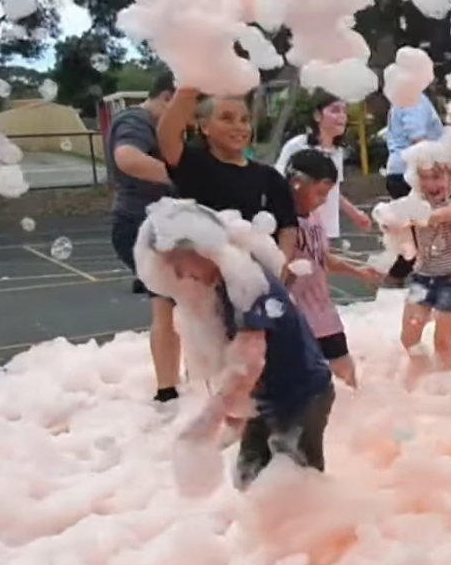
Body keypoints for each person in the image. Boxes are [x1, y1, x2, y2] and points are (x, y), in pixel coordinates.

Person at [136, 198, 336, 488]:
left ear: (204, 248)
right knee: (249, 477)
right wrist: (232, 412)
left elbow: (249, 361)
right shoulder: (218, 284)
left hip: (301, 394)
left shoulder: (249, 284)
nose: (179, 274)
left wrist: (210, 419)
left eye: (180, 262)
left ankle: (321, 527)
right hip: (265, 395)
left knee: (296, 483)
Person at [105, 72, 184, 403]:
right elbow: (127, 158)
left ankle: (175, 384)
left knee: (176, 303)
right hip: (141, 226)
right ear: (169, 97)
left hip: (160, 224)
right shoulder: (136, 120)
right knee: (168, 305)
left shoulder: (158, 125)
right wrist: (185, 177)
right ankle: (167, 391)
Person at [156, 84, 299, 260]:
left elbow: (288, 228)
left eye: (244, 120)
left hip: (257, 274)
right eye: (227, 118)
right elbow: (166, 135)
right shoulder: (193, 165)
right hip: (203, 274)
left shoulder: (270, 177)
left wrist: (279, 268)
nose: (238, 127)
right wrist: (190, 83)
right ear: (204, 127)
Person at [282, 149, 380, 387]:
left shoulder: (314, 219)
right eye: (320, 193)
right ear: (296, 184)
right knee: (305, 382)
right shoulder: (283, 225)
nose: (324, 200)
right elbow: (275, 271)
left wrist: (358, 272)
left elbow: (322, 259)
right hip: (297, 319)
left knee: (346, 373)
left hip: (325, 315)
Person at [397, 155, 451, 372]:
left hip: (450, 278)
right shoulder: (413, 203)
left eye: (437, 177)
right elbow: (402, 237)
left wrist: (415, 216)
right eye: (424, 177)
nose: (431, 184)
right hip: (421, 277)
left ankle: (450, 387)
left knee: (442, 344)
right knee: (408, 339)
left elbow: (445, 215)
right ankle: (423, 378)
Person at [276, 95, 372, 239]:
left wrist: (355, 214)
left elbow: (333, 191)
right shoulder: (297, 145)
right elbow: (279, 182)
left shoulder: (337, 152)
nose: (341, 116)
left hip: (327, 229)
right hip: (299, 227)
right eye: (335, 110)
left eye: (344, 111)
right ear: (317, 115)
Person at [382, 92, 445, 285]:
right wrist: (434, 175)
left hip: (403, 171)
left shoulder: (406, 98)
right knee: (419, 236)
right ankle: (393, 280)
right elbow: (419, 141)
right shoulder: (413, 98)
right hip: (411, 174)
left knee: (414, 236)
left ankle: (398, 280)